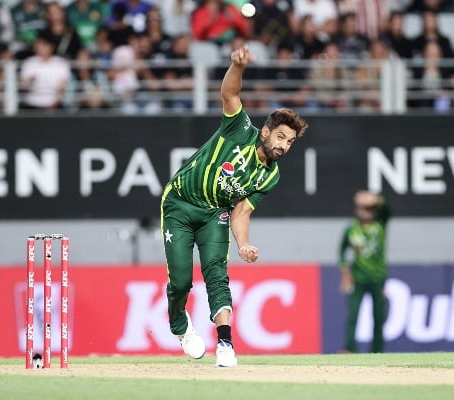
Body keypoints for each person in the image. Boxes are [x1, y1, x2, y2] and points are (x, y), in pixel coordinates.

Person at [161, 45, 308, 367]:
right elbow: (230, 92)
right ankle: (180, 325)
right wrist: (237, 65)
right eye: (280, 137)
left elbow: (242, 211)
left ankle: (225, 344)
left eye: (290, 142)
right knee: (182, 280)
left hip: (216, 212)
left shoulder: (271, 176)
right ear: (266, 132)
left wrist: (244, 244)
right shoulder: (239, 129)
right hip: (180, 204)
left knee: (217, 273)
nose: (283, 146)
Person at [338, 190, 391, 353]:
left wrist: (375, 199)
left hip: (377, 278)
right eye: (363, 209)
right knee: (353, 314)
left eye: (369, 209)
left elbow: (387, 209)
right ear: (357, 210)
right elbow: (341, 251)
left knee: (378, 316)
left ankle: (377, 351)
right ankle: (349, 348)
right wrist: (345, 273)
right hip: (358, 278)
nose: (366, 213)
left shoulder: (380, 224)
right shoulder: (352, 229)